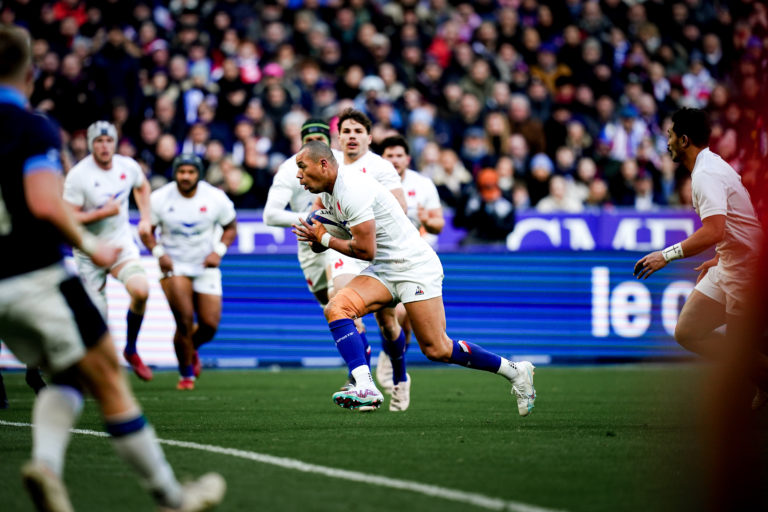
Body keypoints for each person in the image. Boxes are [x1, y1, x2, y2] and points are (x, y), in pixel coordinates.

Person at [0, 24, 225, 511]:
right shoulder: (31, 127)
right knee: (106, 377)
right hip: (32, 275)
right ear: (32, 73)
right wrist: (87, 241)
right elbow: (43, 203)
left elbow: (141, 187)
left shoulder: (128, 168)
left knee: (70, 371)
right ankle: (171, 496)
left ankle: (46, 467)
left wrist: (138, 220)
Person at [292, 141, 536, 416]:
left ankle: (516, 371)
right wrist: (316, 238)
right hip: (384, 268)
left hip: (414, 267)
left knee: (437, 349)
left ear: (323, 164)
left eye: (302, 167)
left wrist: (323, 237)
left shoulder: (352, 189)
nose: (298, 175)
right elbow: (345, 244)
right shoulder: (329, 195)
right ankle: (365, 385)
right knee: (337, 308)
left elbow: (364, 250)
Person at [633, 107, 767, 409]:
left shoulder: (706, 174)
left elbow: (714, 231)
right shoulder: (709, 167)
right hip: (731, 262)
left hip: (748, 269)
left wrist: (665, 256)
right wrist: (719, 259)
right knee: (688, 331)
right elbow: (731, 227)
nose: (666, 142)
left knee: (739, 353)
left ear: (683, 139)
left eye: (669, 136)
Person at [324, 109, 408, 401]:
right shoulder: (330, 163)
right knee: (343, 305)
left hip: (376, 249)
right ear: (338, 136)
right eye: (346, 131)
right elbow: (320, 206)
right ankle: (363, 379)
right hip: (346, 250)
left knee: (387, 322)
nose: (351, 136)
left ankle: (400, 374)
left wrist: (363, 221)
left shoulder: (381, 167)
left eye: (358, 131)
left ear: (369, 138)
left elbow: (401, 208)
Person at [63, 119, 153, 382]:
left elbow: (142, 186)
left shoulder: (127, 166)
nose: (104, 146)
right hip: (89, 251)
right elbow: (68, 217)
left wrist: (145, 218)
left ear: (115, 142)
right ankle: (90, 369)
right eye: (99, 141)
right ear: (91, 145)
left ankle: (131, 349)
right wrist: (103, 212)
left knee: (142, 290)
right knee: (98, 319)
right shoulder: (79, 175)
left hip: (120, 244)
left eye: (109, 140)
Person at [140, 154, 237, 390]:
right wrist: (159, 254)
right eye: (181, 171)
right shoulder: (160, 198)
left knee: (209, 326)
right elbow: (146, 231)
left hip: (205, 265)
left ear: (199, 174)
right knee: (184, 320)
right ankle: (186, 375)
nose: (185, 176)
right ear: (175, 173)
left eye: (191, 172)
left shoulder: (215, 197)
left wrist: (219, 251)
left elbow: (230, 227)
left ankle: (189, 349)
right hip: (174, 265)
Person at [375, 135, 445, 399]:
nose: (394, 160)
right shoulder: (373, 182)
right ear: (382, 159)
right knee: (392, 318)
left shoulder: (422, 184)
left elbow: (438, 223)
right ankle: (391, 356)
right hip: (383, 259)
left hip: (415, 260)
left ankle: (390, 356)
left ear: (407, 158)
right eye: (389, 156)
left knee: (404, 317)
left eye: (398, 155)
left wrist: (429, 219)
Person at [264, 119, 343, 307]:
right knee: (329, 305)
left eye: (320, 138)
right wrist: (313, 219)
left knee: (340, 301)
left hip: (341, 238)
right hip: (310, 242)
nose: (315, 143)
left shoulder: (344, 162)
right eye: (309, 139)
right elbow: (270, 215)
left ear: (329, 141)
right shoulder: (289, 169)